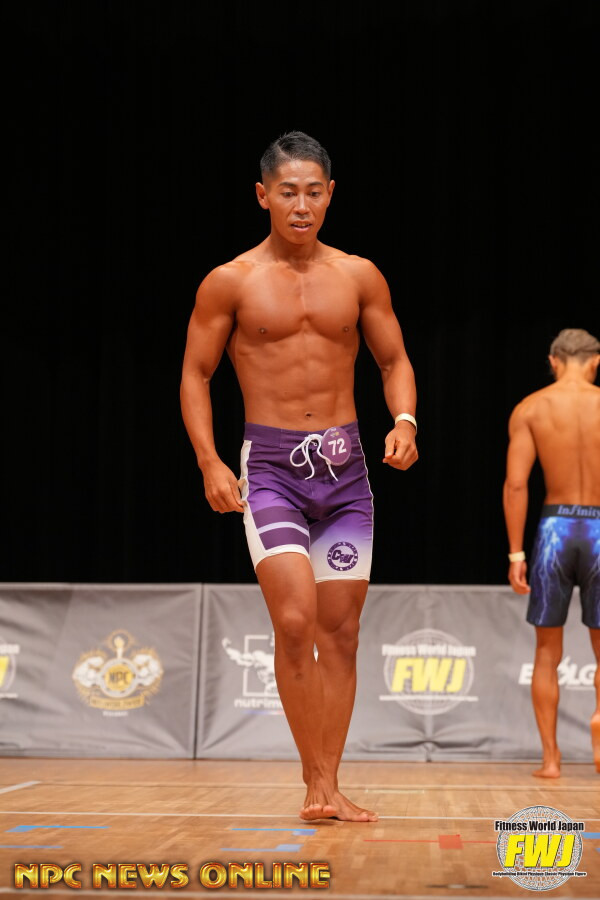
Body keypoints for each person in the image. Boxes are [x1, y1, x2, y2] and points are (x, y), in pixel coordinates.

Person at [181, 132, 417, 820]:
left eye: (314, 192)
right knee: (294, 620)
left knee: (340, 631)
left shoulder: (359, 276)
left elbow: (394, 360)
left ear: (331, 195)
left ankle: (329, 784)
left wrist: (405, 421)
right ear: (263, 196)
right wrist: (209, 460)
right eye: (288, 192)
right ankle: (313, 779)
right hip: (272, 470)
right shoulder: (230, 281)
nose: (302, 205)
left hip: (346, 471)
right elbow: (195, 374)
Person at [503, 328, 600, 778]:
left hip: (555, 530)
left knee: (546, 652)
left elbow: (516, 484)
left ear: (553, 361)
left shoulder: (531, 407)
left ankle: (551, 759)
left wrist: (516, 553)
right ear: (595, 362)